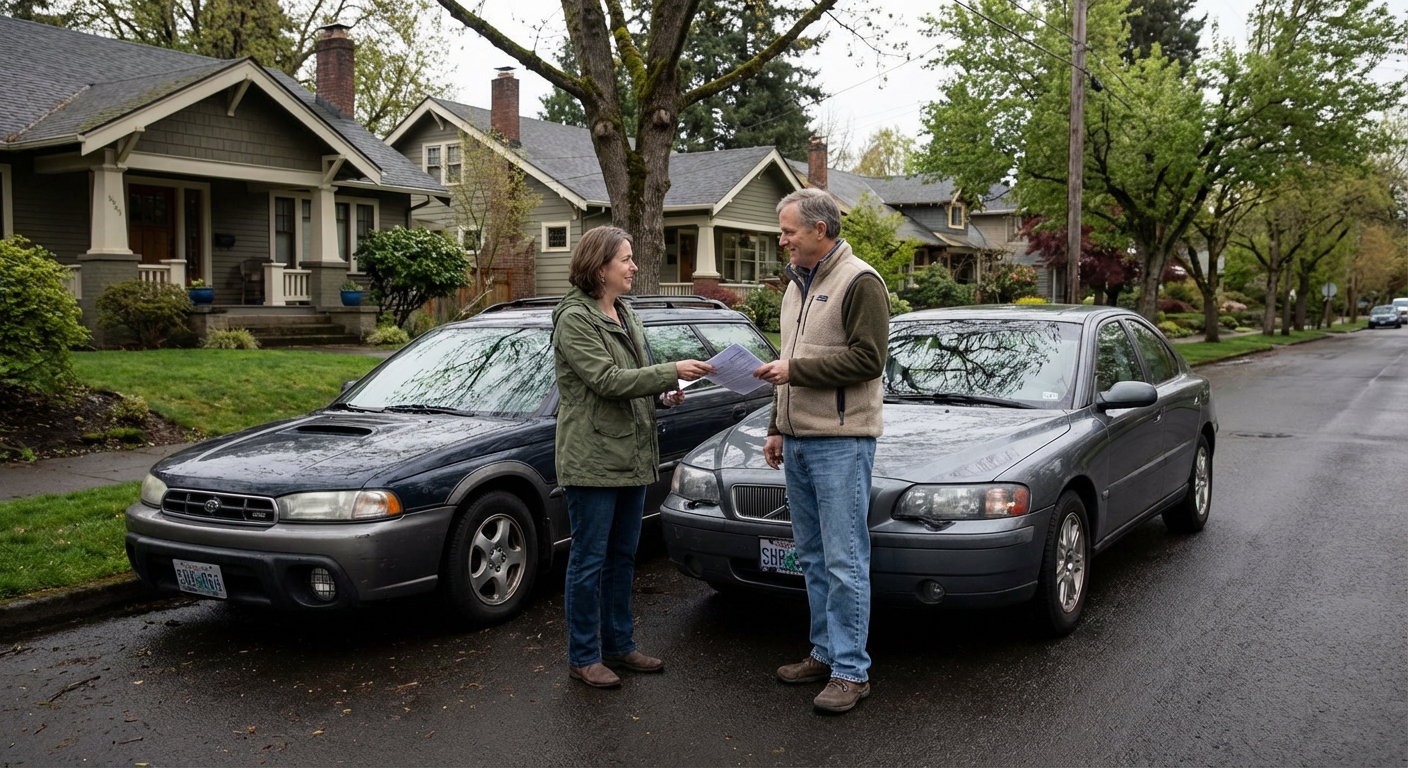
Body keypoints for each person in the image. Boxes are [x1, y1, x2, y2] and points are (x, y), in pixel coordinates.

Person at [551, 225, 714, 689]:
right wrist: (669, 371)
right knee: (589, 560)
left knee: (623, 555)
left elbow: (636, 377)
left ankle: (619, 645)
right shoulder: (574, 319)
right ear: (599, 267)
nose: (634, 266)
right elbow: (606, 380)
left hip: (634, 453)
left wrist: (666, 392)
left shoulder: (625, 312)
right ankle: (584, 656)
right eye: (625, 259)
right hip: (593, 459)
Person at [752, 188, 889, 714]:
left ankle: (852, 672)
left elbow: (869, 360)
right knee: (810, 556)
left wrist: (797, 372)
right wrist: (774, 426)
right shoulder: (795, 286)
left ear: (820, 231)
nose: (782, 239)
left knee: (844, 559)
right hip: (799, 439)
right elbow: (788, 359)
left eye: (788, 231)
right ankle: (825, 652)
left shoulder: (861, 282)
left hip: (841, 443)